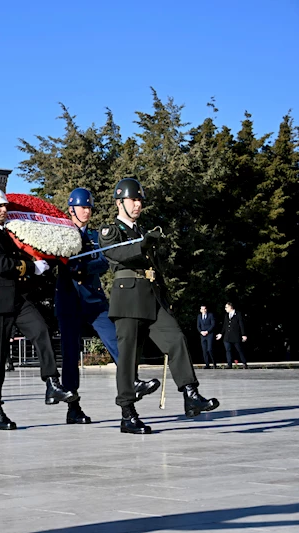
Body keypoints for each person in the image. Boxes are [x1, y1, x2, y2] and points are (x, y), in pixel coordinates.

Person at [99, 178, 219, 434]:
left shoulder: (142, 232)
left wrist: (166, 298)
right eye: (133, 200)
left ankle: (190, 394)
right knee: (129, 357)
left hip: (152, 298)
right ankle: (128, 413)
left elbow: (155, 269)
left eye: (140, 200)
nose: (138, 204)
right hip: (128, 299)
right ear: (120, 202)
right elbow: (116, 254)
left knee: (176, 339)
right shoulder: (111, 231)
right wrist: (142, 244)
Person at [54, 188, 160, 425]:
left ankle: (131, 382)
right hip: (70, 300)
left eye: (90, 207)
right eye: (83, 207)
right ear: (71, 209)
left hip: (94, 301)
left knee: (118, 343)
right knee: (71, 356)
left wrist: (83, 268)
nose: (87, 211)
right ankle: (73, 408)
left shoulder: (94, 235)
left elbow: (105, 260)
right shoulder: (60, 234)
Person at [0, 187, 77, 430]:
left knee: (41, 331)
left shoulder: (10, 234)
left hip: (18, 299)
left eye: (4, 206)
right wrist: (31, 268)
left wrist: (42, 264)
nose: (3, 209)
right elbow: (0, 265)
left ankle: (52, 383)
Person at [216, 302, 247, 368]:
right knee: (228, 350)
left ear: (230, 307)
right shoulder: (226, 315)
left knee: (239, 349)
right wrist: (221, 333)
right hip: (227, 335)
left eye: (226, 307)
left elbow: (241, 325)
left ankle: (244, 362)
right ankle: (229, 364)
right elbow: (225, 325)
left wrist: (243, 334)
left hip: (235, 335)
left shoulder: (238, 314)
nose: (225, 309)